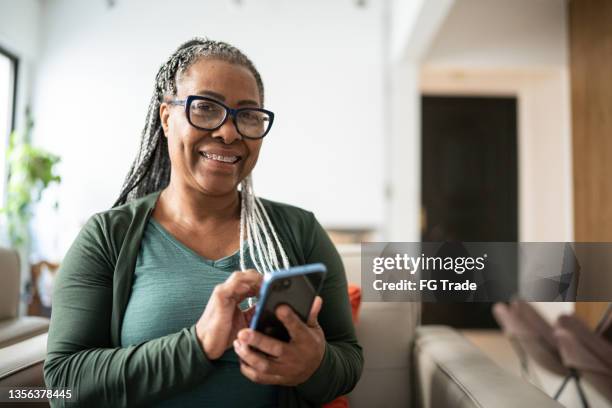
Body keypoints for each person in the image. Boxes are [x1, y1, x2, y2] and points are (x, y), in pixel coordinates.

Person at [44, 38, 363, 407]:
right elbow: (63, 384)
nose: (230, 132)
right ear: (167, 118)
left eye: (247, 115)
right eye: (206, 108)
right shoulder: (106, 237)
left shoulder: (300, 230)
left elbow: (349, 361)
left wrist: (314, 365)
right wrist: (197, 345)